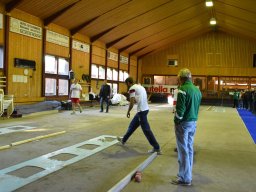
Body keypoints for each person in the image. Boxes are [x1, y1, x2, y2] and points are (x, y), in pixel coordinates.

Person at [171, 68, 202, 186]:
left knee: (182, 151)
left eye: (178, 78)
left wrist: (176, 120)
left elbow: (180, 110)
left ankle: (184, 178)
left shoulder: (182, 90)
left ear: (181, 78)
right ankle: (188, 176)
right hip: (193, 123)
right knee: (189, 149)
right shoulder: (197, 90)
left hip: (183, 124)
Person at [117, 77, 161, 154]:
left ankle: (156, 147)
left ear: (128, 83)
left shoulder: (132, 88)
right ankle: (124, 139)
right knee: (132, 125)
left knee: (146, 130)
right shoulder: (140, 86)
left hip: (141, 111)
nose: (126, 85)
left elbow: (132, 102)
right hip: (145, 109)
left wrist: (128, 111)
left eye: (126, 84)